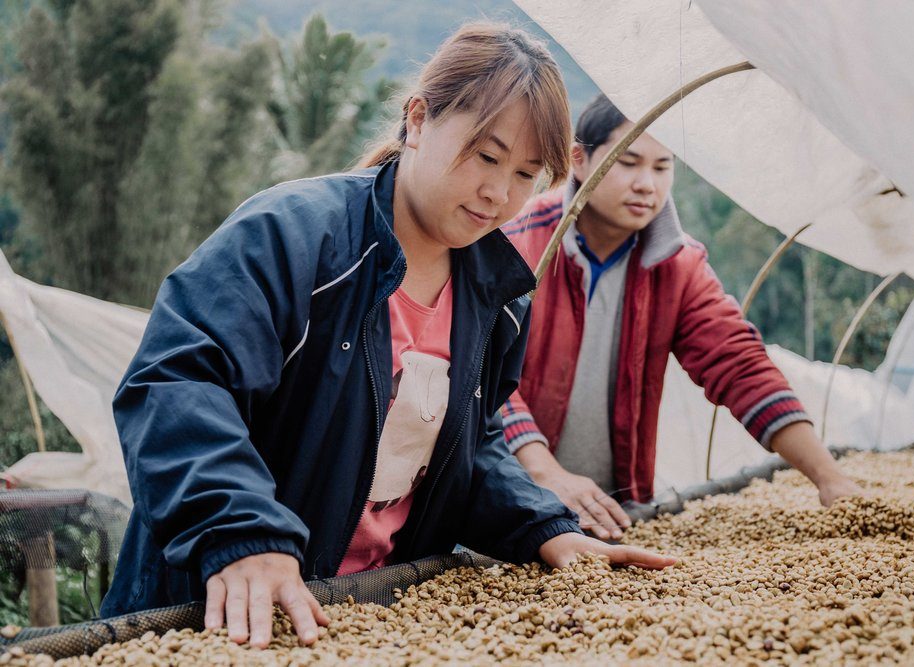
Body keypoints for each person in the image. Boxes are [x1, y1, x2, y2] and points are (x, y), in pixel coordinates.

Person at [101, 29, 675, 648]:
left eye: (526, 174)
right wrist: (243, 534)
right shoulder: (294, 238)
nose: (499, 193)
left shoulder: (498, 297)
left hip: (367, 616)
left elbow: (468, 450)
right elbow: (178, 380)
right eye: (486, 156)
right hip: (213, 607)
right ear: (419, 119)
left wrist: (543, 528)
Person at [501, 95, 863, 541]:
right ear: (579, 159)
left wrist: (829, 477)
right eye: (628, 162)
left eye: (661, 166)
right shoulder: (519, 241)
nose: (646, 185)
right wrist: (544, 471)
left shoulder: (678, 266)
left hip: (614, 511)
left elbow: (737, 362)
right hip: (505, 503)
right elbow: (482, 374)